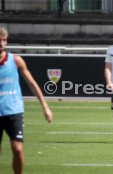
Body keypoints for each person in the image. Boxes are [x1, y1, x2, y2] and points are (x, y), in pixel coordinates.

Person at [0, 27, 53, 174]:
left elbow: (32, 83)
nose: (2, 43)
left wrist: (45, 107)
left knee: (17, 148)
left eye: (4, 40)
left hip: (13, 111)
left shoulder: (15, 60)